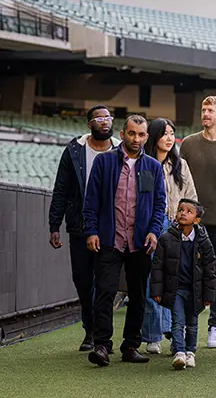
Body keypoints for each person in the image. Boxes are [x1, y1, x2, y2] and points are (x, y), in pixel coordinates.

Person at [82, 115, 166, 367]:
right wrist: (91, 231)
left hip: (140, 242)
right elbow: (91, 200)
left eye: (141, 135)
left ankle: (131, 345)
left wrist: (153, 231)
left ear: (147, 137)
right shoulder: (104, 162)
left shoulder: (152, 166)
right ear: (122, 134)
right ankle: (102, 346)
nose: (136, 139)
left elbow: (159, 204)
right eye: (132, 134)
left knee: (139, 295)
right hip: (109, 239)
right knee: (105, 292)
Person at [48, 105, 120, 352]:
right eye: (99, 118)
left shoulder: (121, 150)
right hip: (79, 225)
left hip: (111, 225)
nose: (104, 122)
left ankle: (99, 336)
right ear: (89, 124)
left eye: (108, 117)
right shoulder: (74, 149)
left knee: (105, 282)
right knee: (82, 279)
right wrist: (54, 224)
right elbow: (61, 188)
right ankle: (90, 327)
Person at [180, 96, 216, 349]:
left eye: (210, 110)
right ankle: (183, 324)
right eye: (203, 109)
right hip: (189, 222)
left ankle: (215, 327)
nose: (205, 114)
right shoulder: (189, 144)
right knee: (185, 273)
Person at [141, 118, 198, 354]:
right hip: (151, 226)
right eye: (164, 133)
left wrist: (186, 224)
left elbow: (191, 196)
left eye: (172, 133)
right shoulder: (143, 163)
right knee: (151, 280)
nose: (169, 137)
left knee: (173, 280)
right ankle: (153, 334)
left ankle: (173, 333)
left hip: (176, 226)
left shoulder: (180, 164)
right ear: (154, 136)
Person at [150, 199, 216, 371]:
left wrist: (209, 295)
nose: (183, 213)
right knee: (177, 322)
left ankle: (190, 352)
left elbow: (210, 269)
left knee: (192, 323)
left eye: (188, 211)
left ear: (197, 220)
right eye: (180, 210)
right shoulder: (166, 239)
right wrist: (157, 290)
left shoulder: (203, 241)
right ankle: (179, 352)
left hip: (195, 291)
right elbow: (157, 266)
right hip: (176, 289)